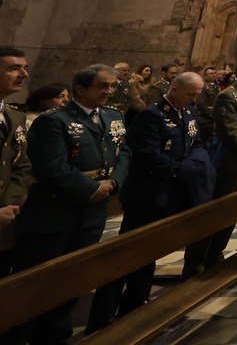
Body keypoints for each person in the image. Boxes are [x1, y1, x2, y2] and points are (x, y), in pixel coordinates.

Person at [9, 64, 131, 343]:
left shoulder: (113, 116)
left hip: (92, 213)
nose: (109, 91)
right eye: (102, 86)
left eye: (112, 86)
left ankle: (55, 333)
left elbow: (123, 152)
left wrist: (113, 184)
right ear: (80, 89)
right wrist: (91, 189)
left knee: (74, 278)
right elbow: (50, 168)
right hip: (56, 212)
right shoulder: (54, 120)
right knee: (38, 283)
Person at [87, 72, 213, 330]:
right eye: (191, 94)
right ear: (175, 90)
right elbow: (145, 152)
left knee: (151, 251)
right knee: (130, 253)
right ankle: (102, 317)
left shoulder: (187, 114)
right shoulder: (151, 115)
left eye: (197, 94)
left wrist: (191, 165)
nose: (195, 99)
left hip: (173, 192)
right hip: (149, 194)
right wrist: (177, 170)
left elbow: (197, 143)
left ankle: (135, 305)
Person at [182, 55, 237, 278]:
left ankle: (215, 253)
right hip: (230, 158)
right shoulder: (228, 95)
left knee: (234, 209)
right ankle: (197, 260)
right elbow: (229, 132)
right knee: (218, 209)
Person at [0, 47, 32, 278]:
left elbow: (21, 166)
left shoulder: (14, 116)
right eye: (14, 68)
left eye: (25, 68)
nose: (24, 74)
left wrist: (7, 205)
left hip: (5, 222)